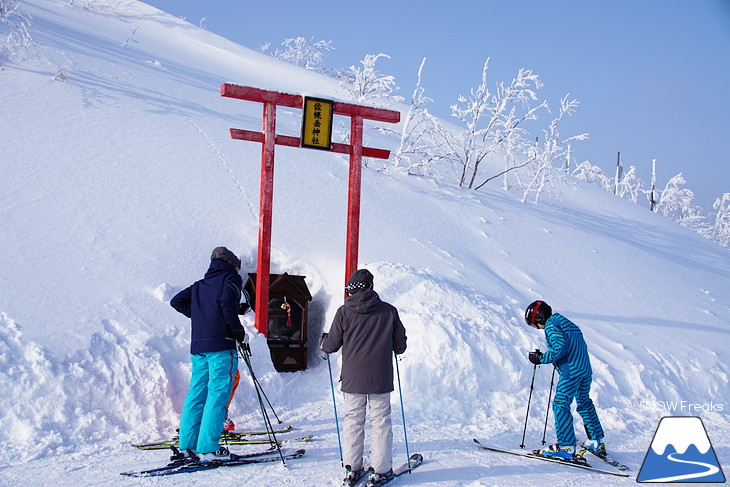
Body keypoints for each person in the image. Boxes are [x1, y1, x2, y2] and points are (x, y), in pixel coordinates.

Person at [321, 269, 408, 487]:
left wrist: (324, 339)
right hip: (380, 378)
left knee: (353, 421)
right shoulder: (389, 311)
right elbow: (400, 346)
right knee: (380, 422)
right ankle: (380, 469)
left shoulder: (344, 312)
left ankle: (352, 467)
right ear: (371, 286)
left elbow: (330, 345)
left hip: (352, 379)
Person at [170, 246, 246, 461]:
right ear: (232, 265)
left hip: (199, 347)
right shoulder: (231, 278)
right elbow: (227, 306)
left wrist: (202, 316)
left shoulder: (199, 285)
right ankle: (208, 449)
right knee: (217, 396)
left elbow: (176, 301)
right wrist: (238, 331)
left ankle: (187, 446)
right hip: (222, 345)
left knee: (196, 395)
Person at [524, 300, 606, 461]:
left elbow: (559, 347)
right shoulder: (566, 323)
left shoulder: (551, 325)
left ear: (539, 318)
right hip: (584, 369)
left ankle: (566, 446)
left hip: (571, 372)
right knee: (584, 402)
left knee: (561, 404)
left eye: (535, 325)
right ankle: (596, 440)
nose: (538, 328)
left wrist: (541, 358)